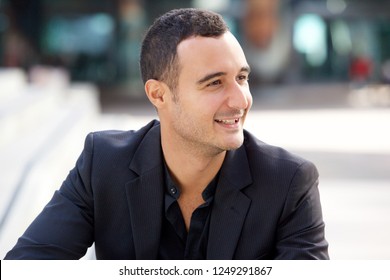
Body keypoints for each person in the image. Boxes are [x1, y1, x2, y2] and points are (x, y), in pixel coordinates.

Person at [5, 8, 329, 260]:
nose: (241, 100)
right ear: (159, 95)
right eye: (214, 82)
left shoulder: (289, 182)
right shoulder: (102, 165)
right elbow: (27, 266)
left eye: (242, 78)